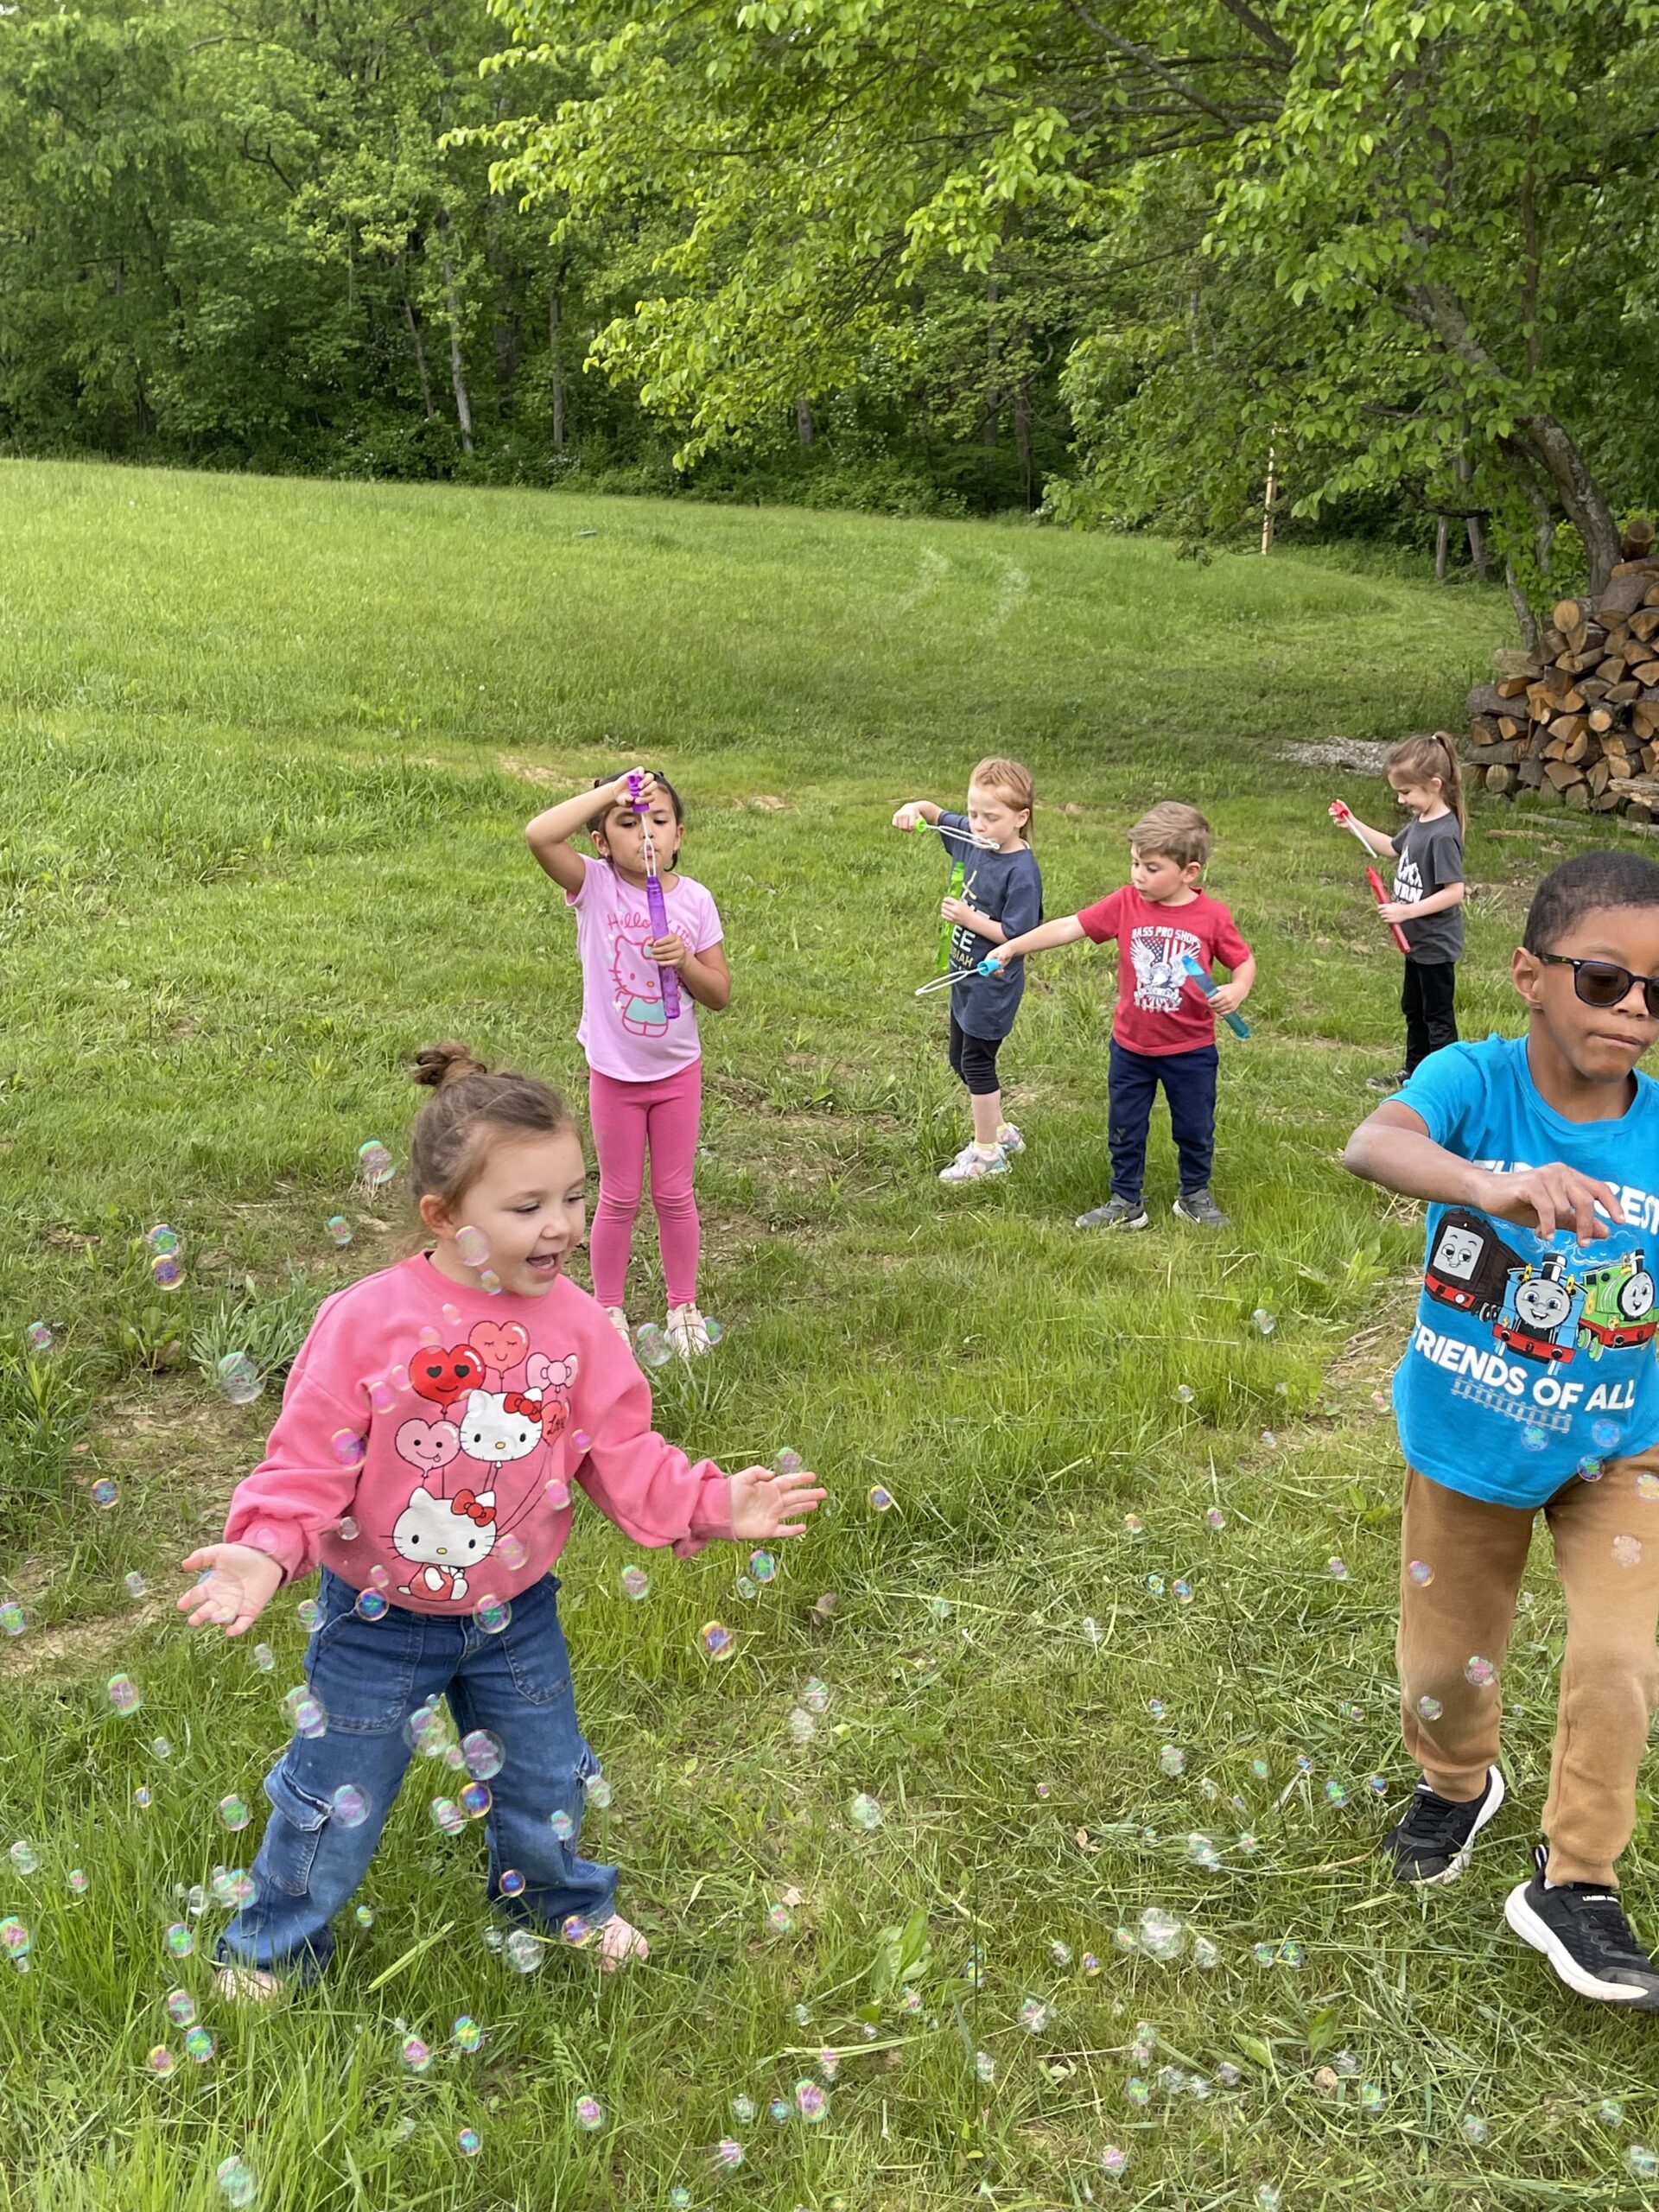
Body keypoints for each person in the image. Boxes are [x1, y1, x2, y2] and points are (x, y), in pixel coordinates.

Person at [175, 1042, 825, 1995]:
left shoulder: (580, 1328)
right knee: (332, 1796)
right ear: (444, 1215)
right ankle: (272, 1946)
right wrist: (265, 1552)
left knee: (546, 1779)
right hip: (375, 1623)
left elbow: (624, 1454)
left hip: (513, 1614)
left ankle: (558, 1906)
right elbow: (309, 1462)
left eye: (574, 1196)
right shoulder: (365, 1322)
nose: (561, 1225)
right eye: (527, 1207)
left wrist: (712, 1503)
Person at [1344, 849, 1659, 2008]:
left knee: (1623, 1656)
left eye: (1658, 993)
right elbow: (1374, 1144)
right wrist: (1489, 1185)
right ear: (1530, 975)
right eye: (1605, 980)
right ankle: (1457, 1783)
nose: (1634, 1010)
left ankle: (1577, 1881)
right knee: (1443, 1666)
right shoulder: (1473, 1081)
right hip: (1468, 1439)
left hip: (1620, 1449)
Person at [525, 769, 729, 1358]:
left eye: (659, 821)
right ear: (600, 840)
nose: (646, 834)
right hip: (614, 1074)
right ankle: (606, 1310)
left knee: (674, 1194)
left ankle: (683, 1307)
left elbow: (719, 994)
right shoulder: (594, 887)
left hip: (677, 1072)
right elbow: (539, 834)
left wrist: (685, 962)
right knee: (617, 1197)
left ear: (678, 835)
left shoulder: (695, 901)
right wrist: (608, 793)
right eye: (627, 822)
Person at [984, 801, 1253, 1230]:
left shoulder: (1212, 917)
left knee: (1195, 1127)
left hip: (1191, 1050)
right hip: (1131, 1048)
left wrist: (1237, 989)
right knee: (1125, 1126)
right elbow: (1070, 926)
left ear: (1190, 872)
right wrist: (1013, 947)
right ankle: (1127, 1201)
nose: (1138, 876)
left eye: (1151, 868)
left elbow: (1243, 961)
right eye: (1134, 864)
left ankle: (1194, 1196)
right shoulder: (1126, 903)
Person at [892, 760, 1044, 1183]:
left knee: (977, 1063)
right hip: (965, 979)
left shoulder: (1021, 872)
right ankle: (1000, 1131)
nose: (978, 824)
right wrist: (911, 809)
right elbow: (932, 812)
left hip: (992, 986)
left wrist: (968, 918)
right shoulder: (973, 839)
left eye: (991, 817)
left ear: (1020, 818)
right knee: (960, 1060)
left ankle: (987, 1154)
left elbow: (1017, 936)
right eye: (974, 813)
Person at [1328, 731, 1466, 1093]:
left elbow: (1455, 892)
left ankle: (1447, 1083)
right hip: (1415, 943)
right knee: (1413, 1008)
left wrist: (1407, 912)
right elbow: (1391, 848)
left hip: (1435, 944)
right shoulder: (1422, 821)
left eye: (1406, 792)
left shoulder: (1443, 833)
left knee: (1437, 1016)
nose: (1401, 800)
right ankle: (1415, 1072)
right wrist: (1353, 823)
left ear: (1434, 785)